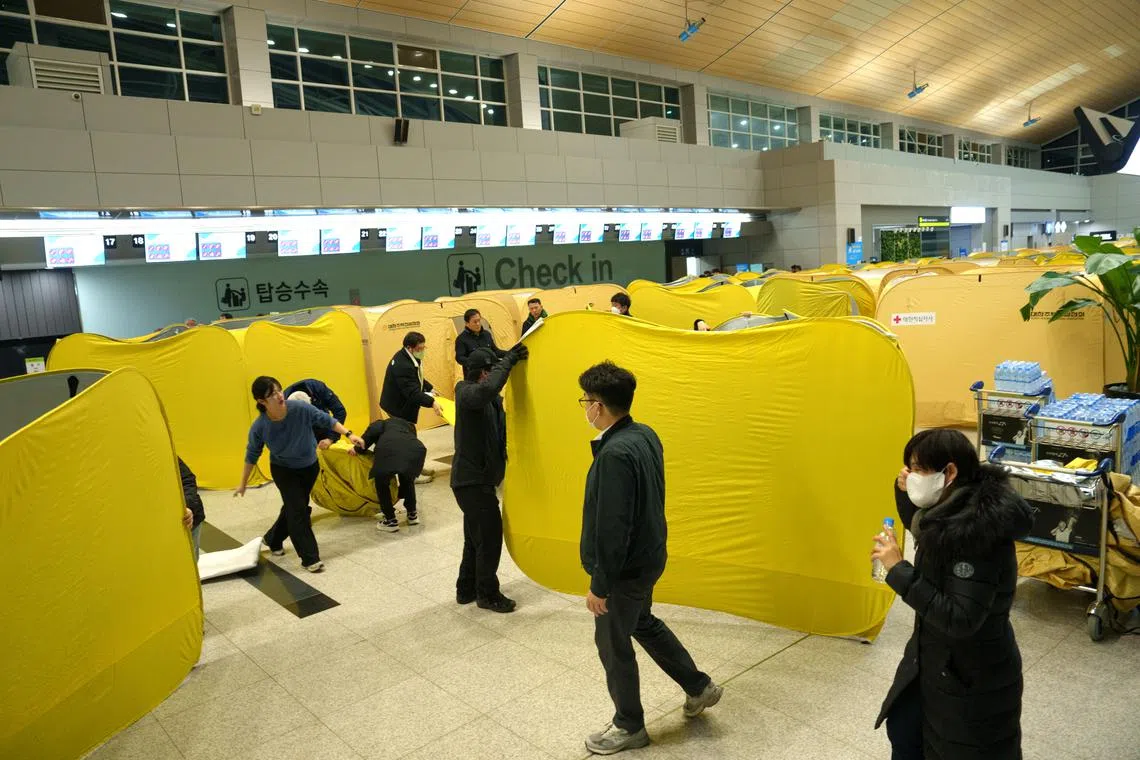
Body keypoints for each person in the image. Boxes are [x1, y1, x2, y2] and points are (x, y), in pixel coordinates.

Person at [577, 361, 722, 755]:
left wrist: (600, 586)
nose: (584, 408)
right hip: (649, 555)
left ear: (599, 407)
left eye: (585, 401)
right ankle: (698, 686)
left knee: (612, 641)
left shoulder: (614, 456)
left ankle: (629, 725)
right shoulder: (644, 434)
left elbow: (612, 527)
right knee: (642, 622)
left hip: (624, 570)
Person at [872, 428, 1033, 760]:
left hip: (970, 679)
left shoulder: (975, 535)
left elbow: (960, 617)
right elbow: (920, 522)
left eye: (917, 469)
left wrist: (899, 570)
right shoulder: (951, 506)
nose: (910, 476)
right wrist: (904, 490)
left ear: (950, 472)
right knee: (903, 729)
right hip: (934, 660)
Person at [235, 376, 364, 573]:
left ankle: (273, 538)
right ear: (261, 401)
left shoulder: (299, 408)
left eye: (279, 390)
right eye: (272, 394)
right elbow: (252, 454)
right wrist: (243, 482)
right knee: (298, 511)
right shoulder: (260, 426)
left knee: (295, 507)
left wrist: (349, 434)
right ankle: (310, 558)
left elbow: (328, 420)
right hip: (284, 470)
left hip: (309, 467)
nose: (279, 395)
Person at [451, 344, 528, 613]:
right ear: (483, 373)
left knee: (475, 539)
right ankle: (488, 594)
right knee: (490, 538)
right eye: (491, 370)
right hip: (471, 483)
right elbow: (485, 391)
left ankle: (466, 589)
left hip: (480, 481)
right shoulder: (466, 392)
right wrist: (508, 361)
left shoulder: (491, 401)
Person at [380, 331, 443, 484]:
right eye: (420, 349)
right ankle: (410, 475)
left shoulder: (408, 357)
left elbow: (417, 377)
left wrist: (429, 387)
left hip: (402, 405)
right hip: (397, 408)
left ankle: (416, 468)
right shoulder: (403, 365)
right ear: (410, 347)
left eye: (423, 348)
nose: (422, 351)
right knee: (407, 442)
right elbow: (412, 392)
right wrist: (431, 402)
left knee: (410, 439)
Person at [356, 416, 427, 532]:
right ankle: (412, 514)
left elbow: (365, 441)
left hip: (388, 450)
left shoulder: (378, 424)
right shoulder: (407, 423)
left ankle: (390, 520)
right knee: (407, 480)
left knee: (381, 483)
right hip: (416, 450)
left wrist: (356, 450)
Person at [284, 378, 347, 449]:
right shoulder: (282, 404)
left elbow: (339, 411)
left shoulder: (318, 388)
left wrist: (330, 438)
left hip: (324, 428)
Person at [179, 457, 205, 561]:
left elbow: (188, 480)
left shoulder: (165, 454)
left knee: (189, 560)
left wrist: (187, 506)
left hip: (189, 518)